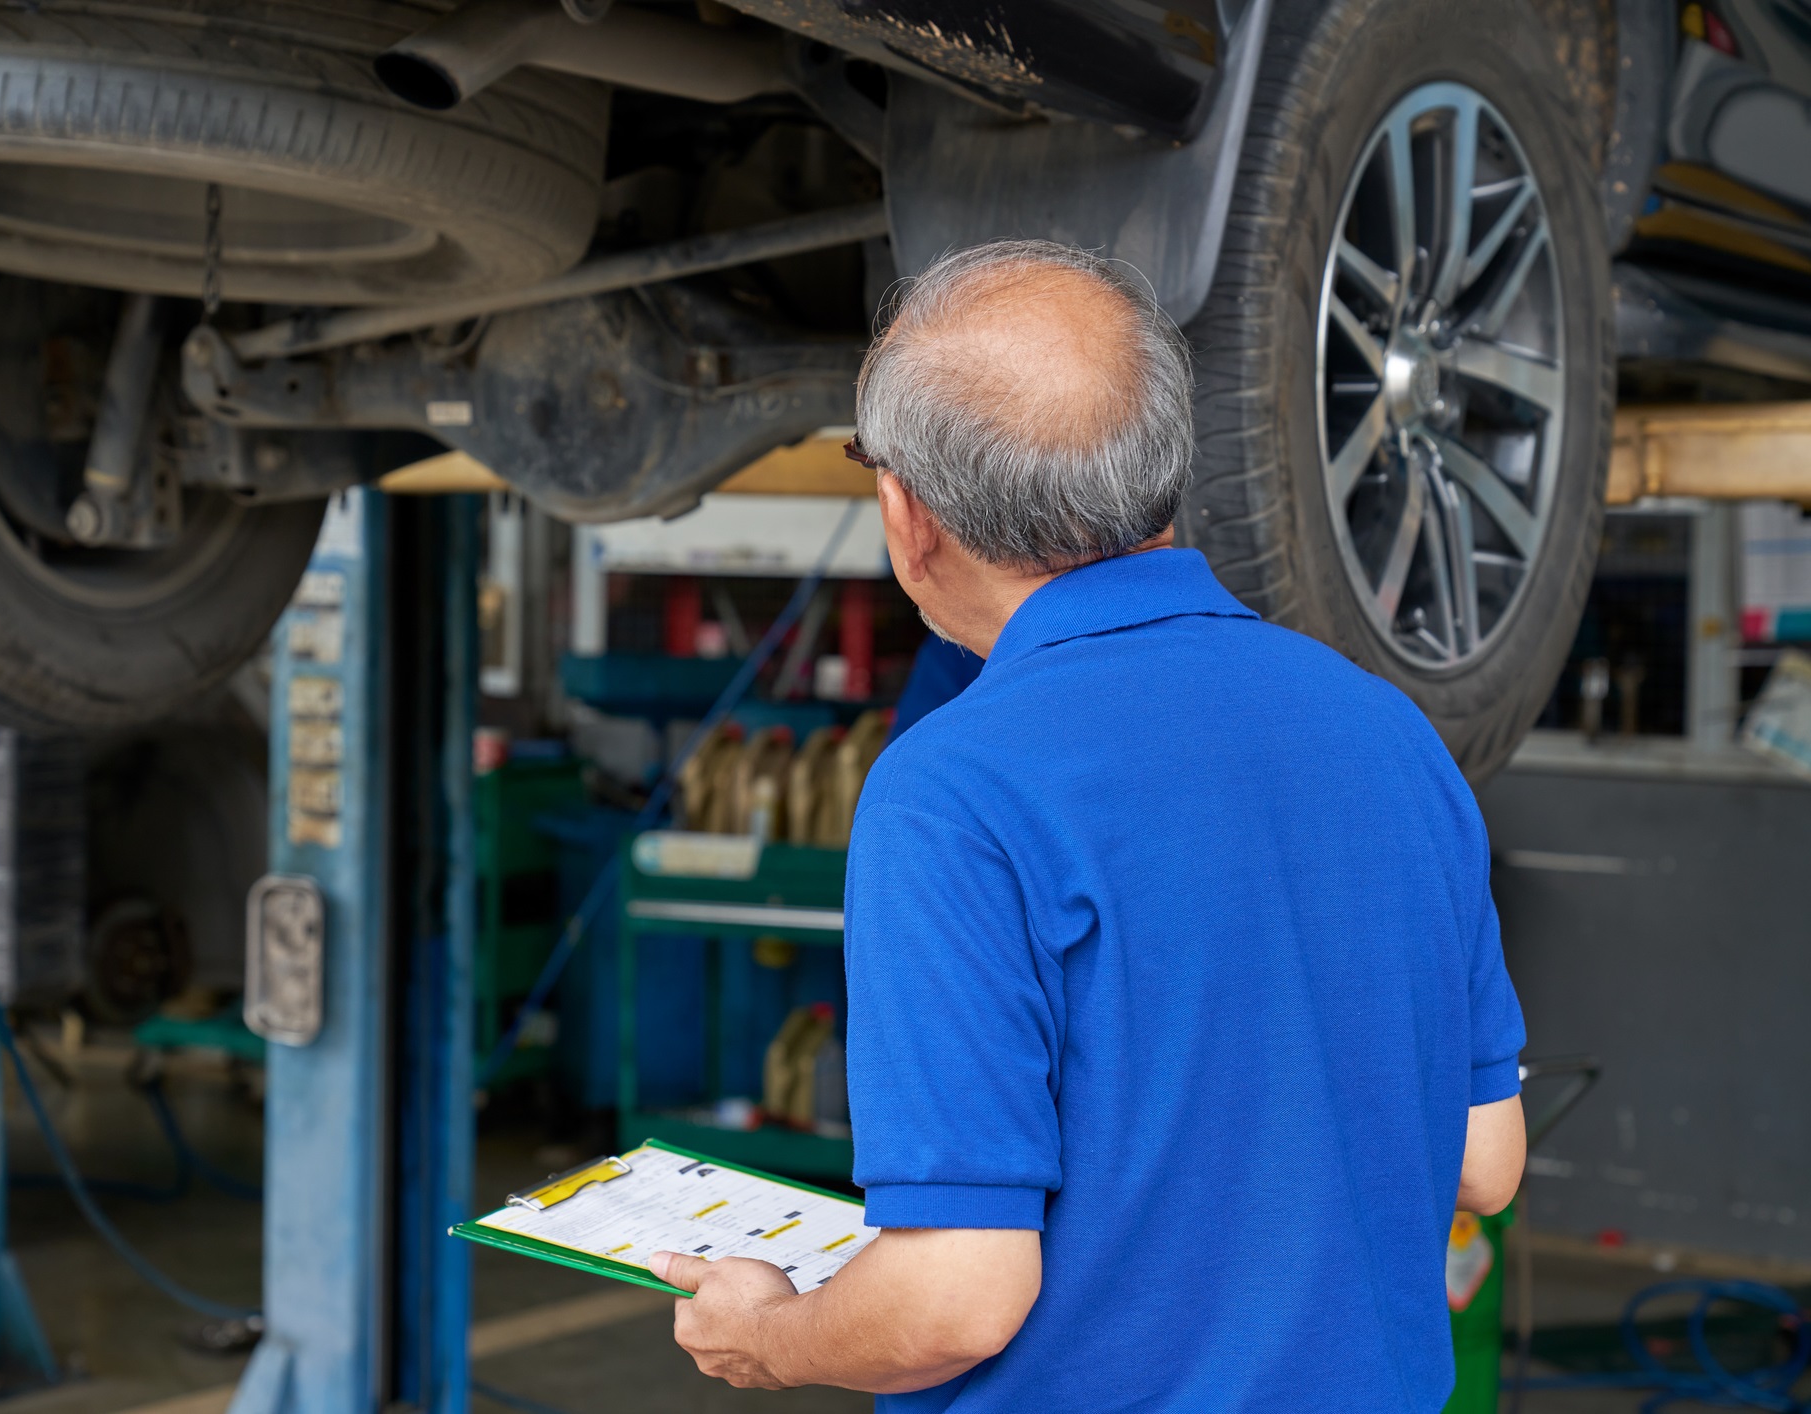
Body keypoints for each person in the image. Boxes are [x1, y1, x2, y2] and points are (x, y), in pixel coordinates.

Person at [647, 240, 1527, 1410]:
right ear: (1164, 464)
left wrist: (772, 1333)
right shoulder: (1389, 736)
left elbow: (955, 1297)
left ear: (905, 513)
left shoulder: (952, 791)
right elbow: (1482, 1161)